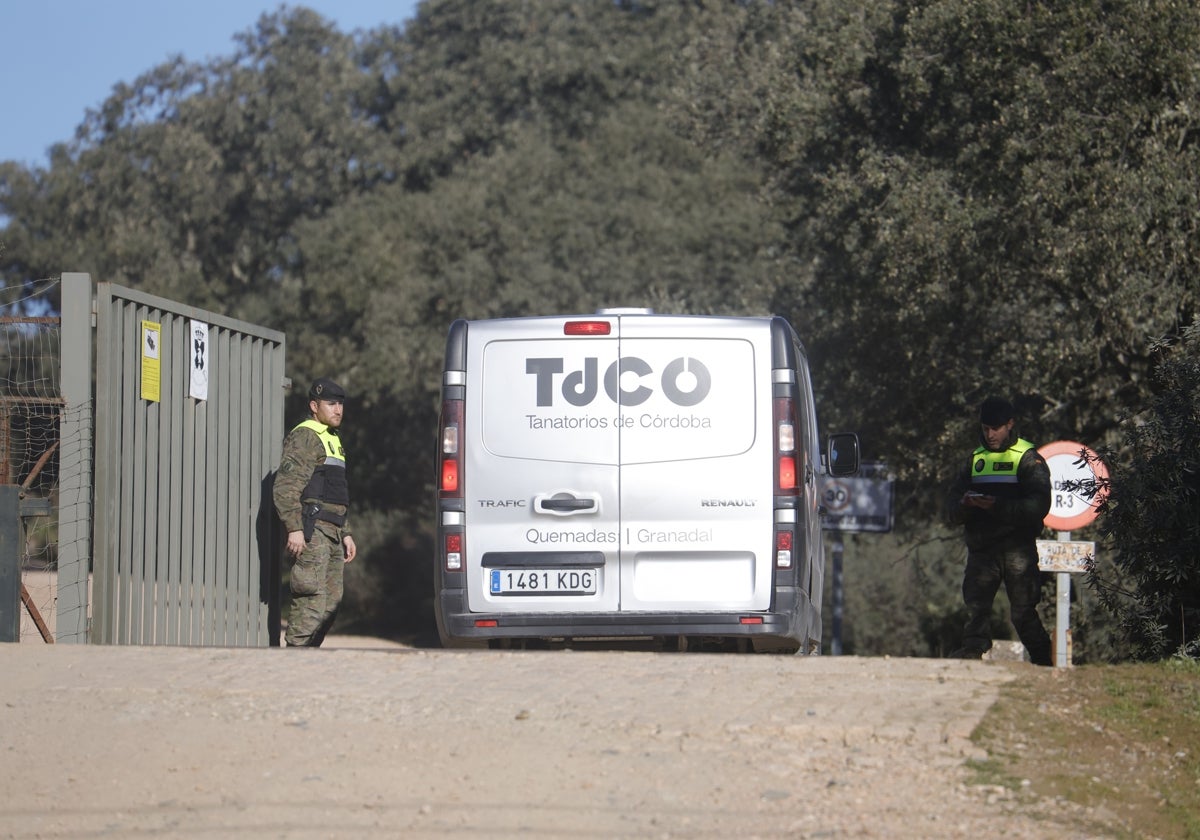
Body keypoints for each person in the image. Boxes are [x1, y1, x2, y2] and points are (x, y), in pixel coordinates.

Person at [945, 396, 1053, 665]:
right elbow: (949, 509)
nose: (990, 435)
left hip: (1018, 549)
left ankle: (1043, 659)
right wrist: (965, 505)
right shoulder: (975, 460)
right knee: (976, 606)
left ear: (1010, 424)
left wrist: (997, 505)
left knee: (1023, 611)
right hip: (982, 548)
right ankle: (972, 651)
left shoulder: (1028, 459)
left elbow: (1039, 505)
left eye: (996, 428)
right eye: (985, 429)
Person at [273, 377, 357, 647]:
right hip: (313, 529)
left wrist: (347, 533)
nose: (338, 410)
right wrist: (294, 528)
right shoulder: (306, 435)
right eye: (331, 404)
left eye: (340, 404)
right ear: (314, 405)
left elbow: (337, 492)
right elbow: (286, 486)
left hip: (333, 530)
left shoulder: (332, 439)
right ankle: (295, 658)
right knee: (311, 598)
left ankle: (308, 656)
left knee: (331, 603)